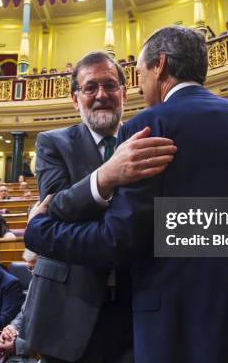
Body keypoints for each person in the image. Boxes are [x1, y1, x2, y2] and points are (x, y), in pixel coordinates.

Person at [25, 26, 228, 362]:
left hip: (188, 322)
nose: (141, 83)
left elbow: (120, 239)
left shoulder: (147, 128)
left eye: (140, 72)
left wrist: (39, 231)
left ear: (159, 66)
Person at [24, 51, 175, 363]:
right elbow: (55, 208)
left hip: (137, 304)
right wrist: (107, 175)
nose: (102, 95)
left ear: (123, 91)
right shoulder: (52, 142)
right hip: (67, 308)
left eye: (110, 85)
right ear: (74, 98)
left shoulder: (145, 137)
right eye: (90, 88)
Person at [0, 249, 39, 363]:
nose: (32, 273)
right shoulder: (34, 281)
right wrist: (11, 329)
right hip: (16, 349)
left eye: (35, 268)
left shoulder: (59, 291)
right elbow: (23, 313)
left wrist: (15, 344)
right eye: (30, 268)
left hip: (35, 354)